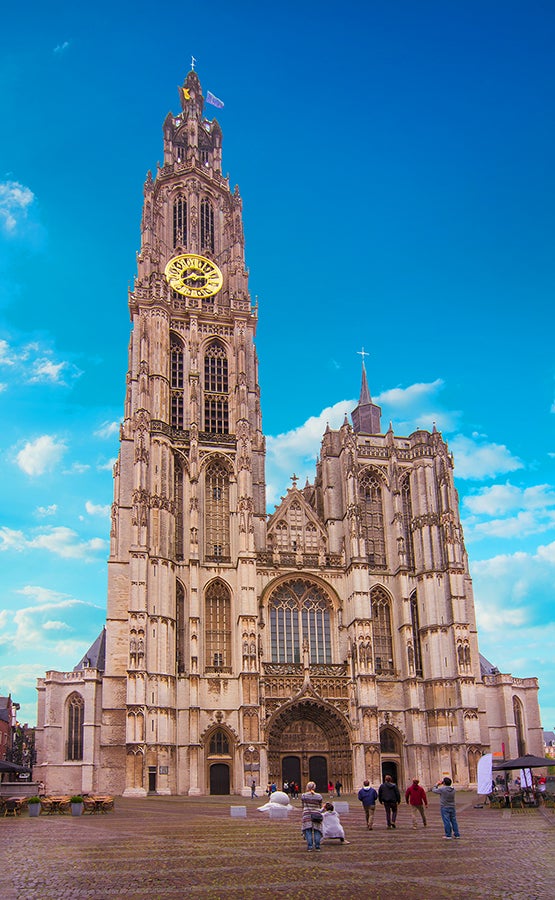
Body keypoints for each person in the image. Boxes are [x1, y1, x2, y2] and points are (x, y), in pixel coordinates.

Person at [301, 781, 324, 851]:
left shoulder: (303, 795)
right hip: (316, 814)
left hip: (306, 814)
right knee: (317, 830)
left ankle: (310, 846)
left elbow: (303, 805)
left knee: (308, 830)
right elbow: (320, 806)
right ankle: (317, 846)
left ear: (307, 787)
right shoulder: (319, 796)